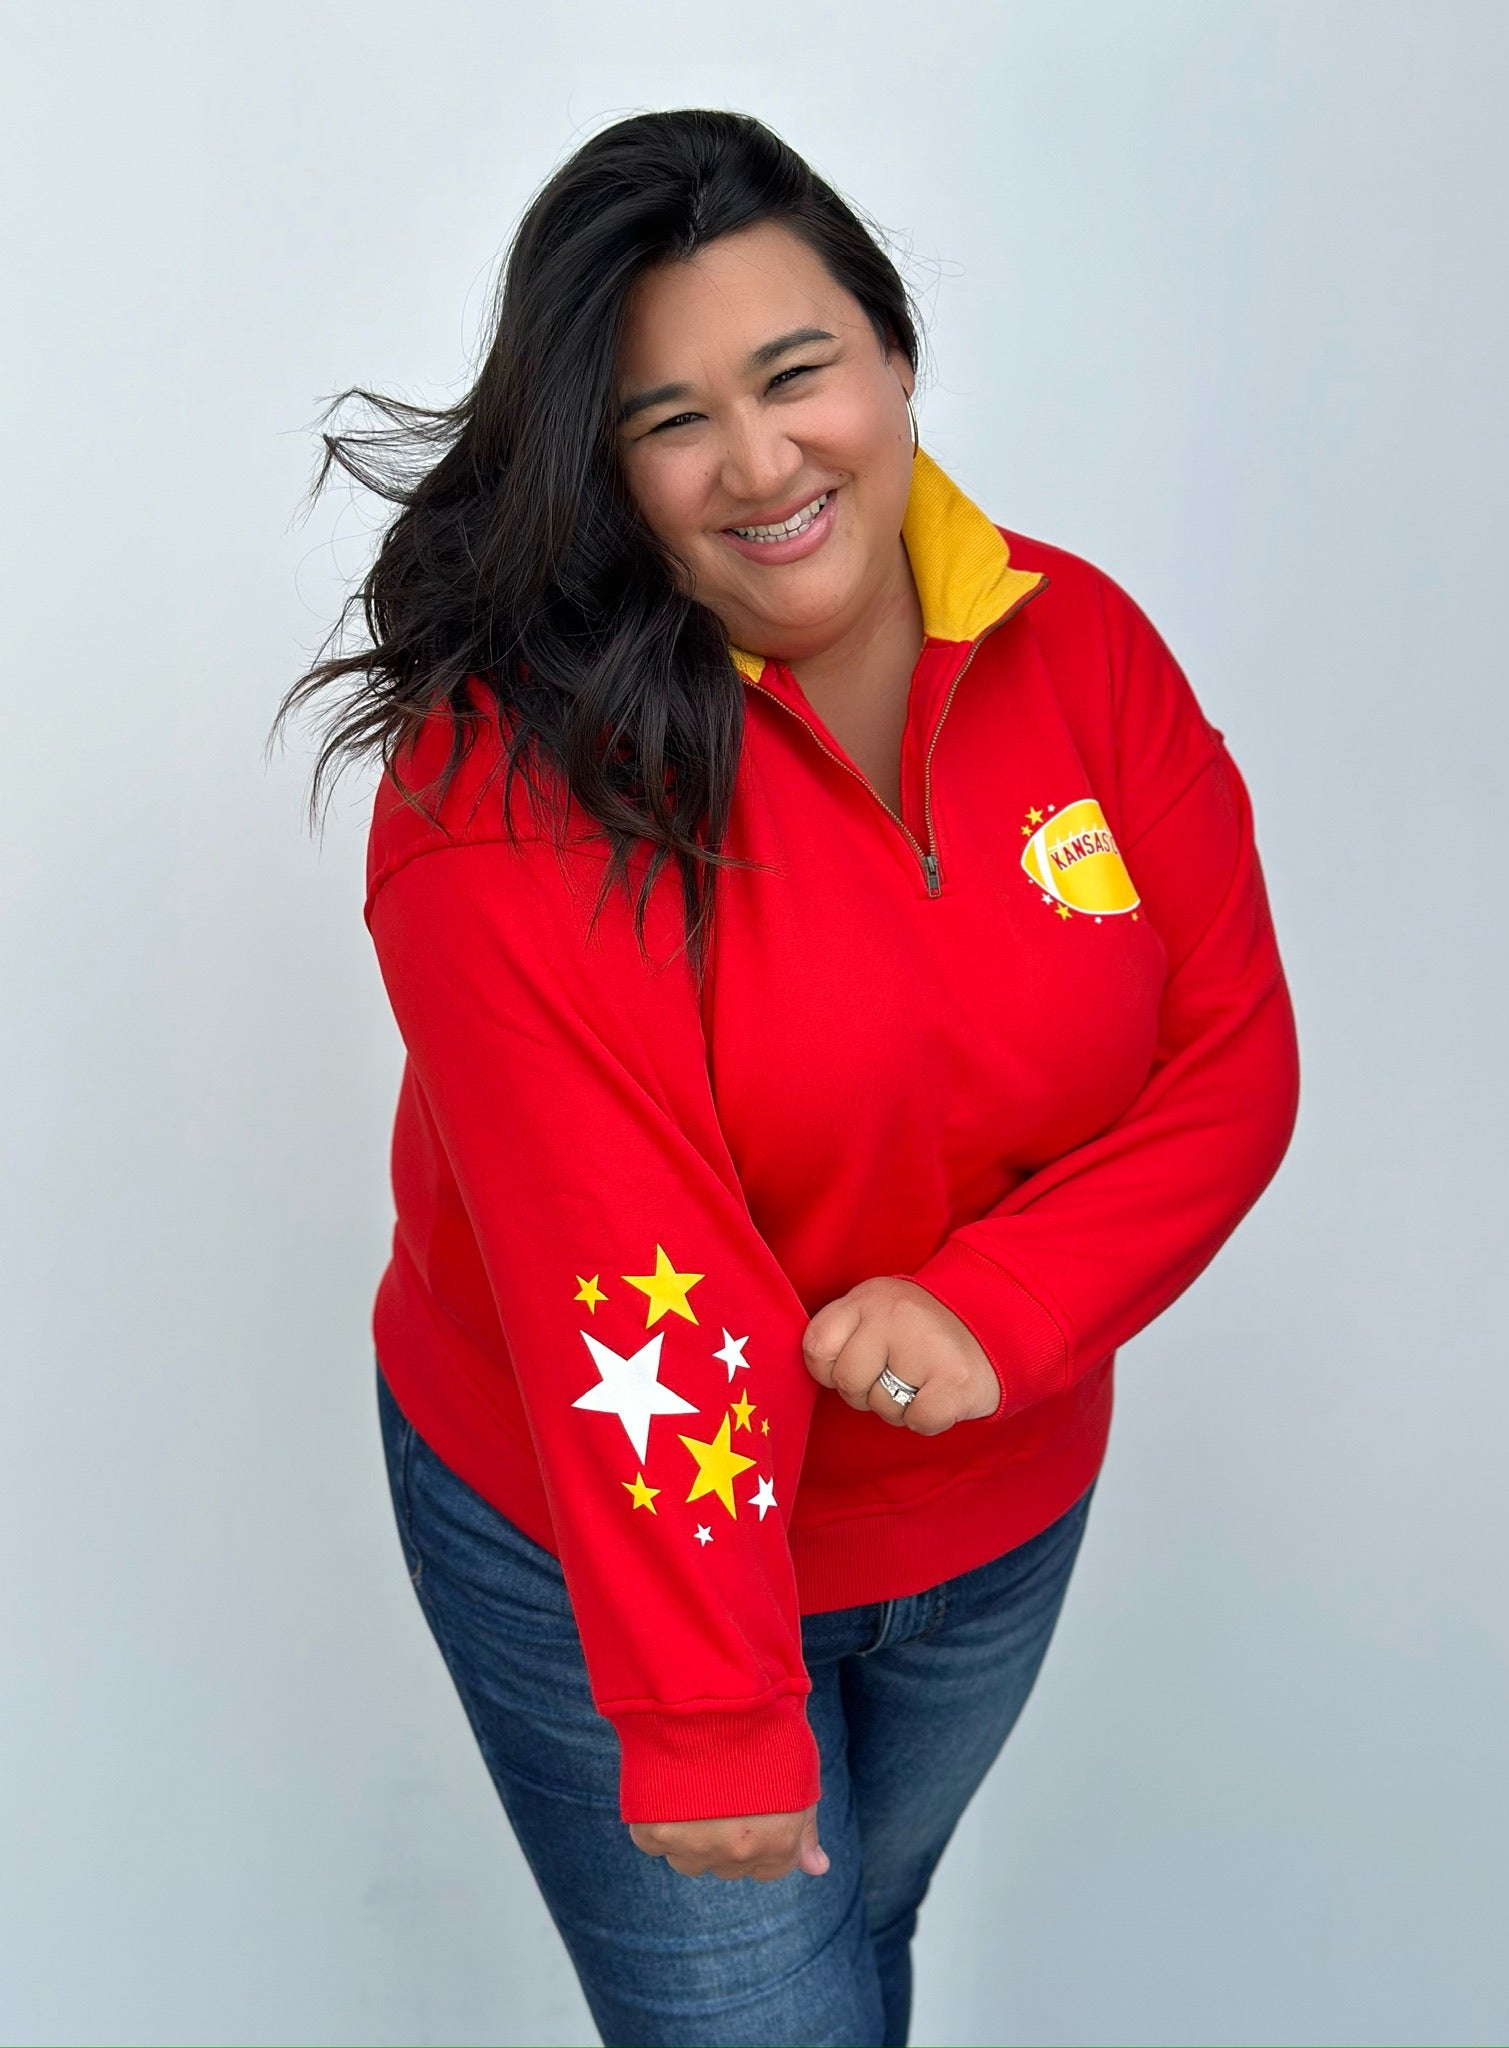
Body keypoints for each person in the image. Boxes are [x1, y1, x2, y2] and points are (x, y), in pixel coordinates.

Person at [278, 107, 1300, 2048]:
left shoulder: (1079, 645)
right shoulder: (502, 789)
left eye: (796, 371)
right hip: (616, 1557)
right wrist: (705, 1708)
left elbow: (1229, 1055)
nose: (759, 463)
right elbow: (627, 1267)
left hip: (996, 1509)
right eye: (673, 419)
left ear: (894, 357)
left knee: (862, 1946)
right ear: (605, 468)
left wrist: (1005, 1306)